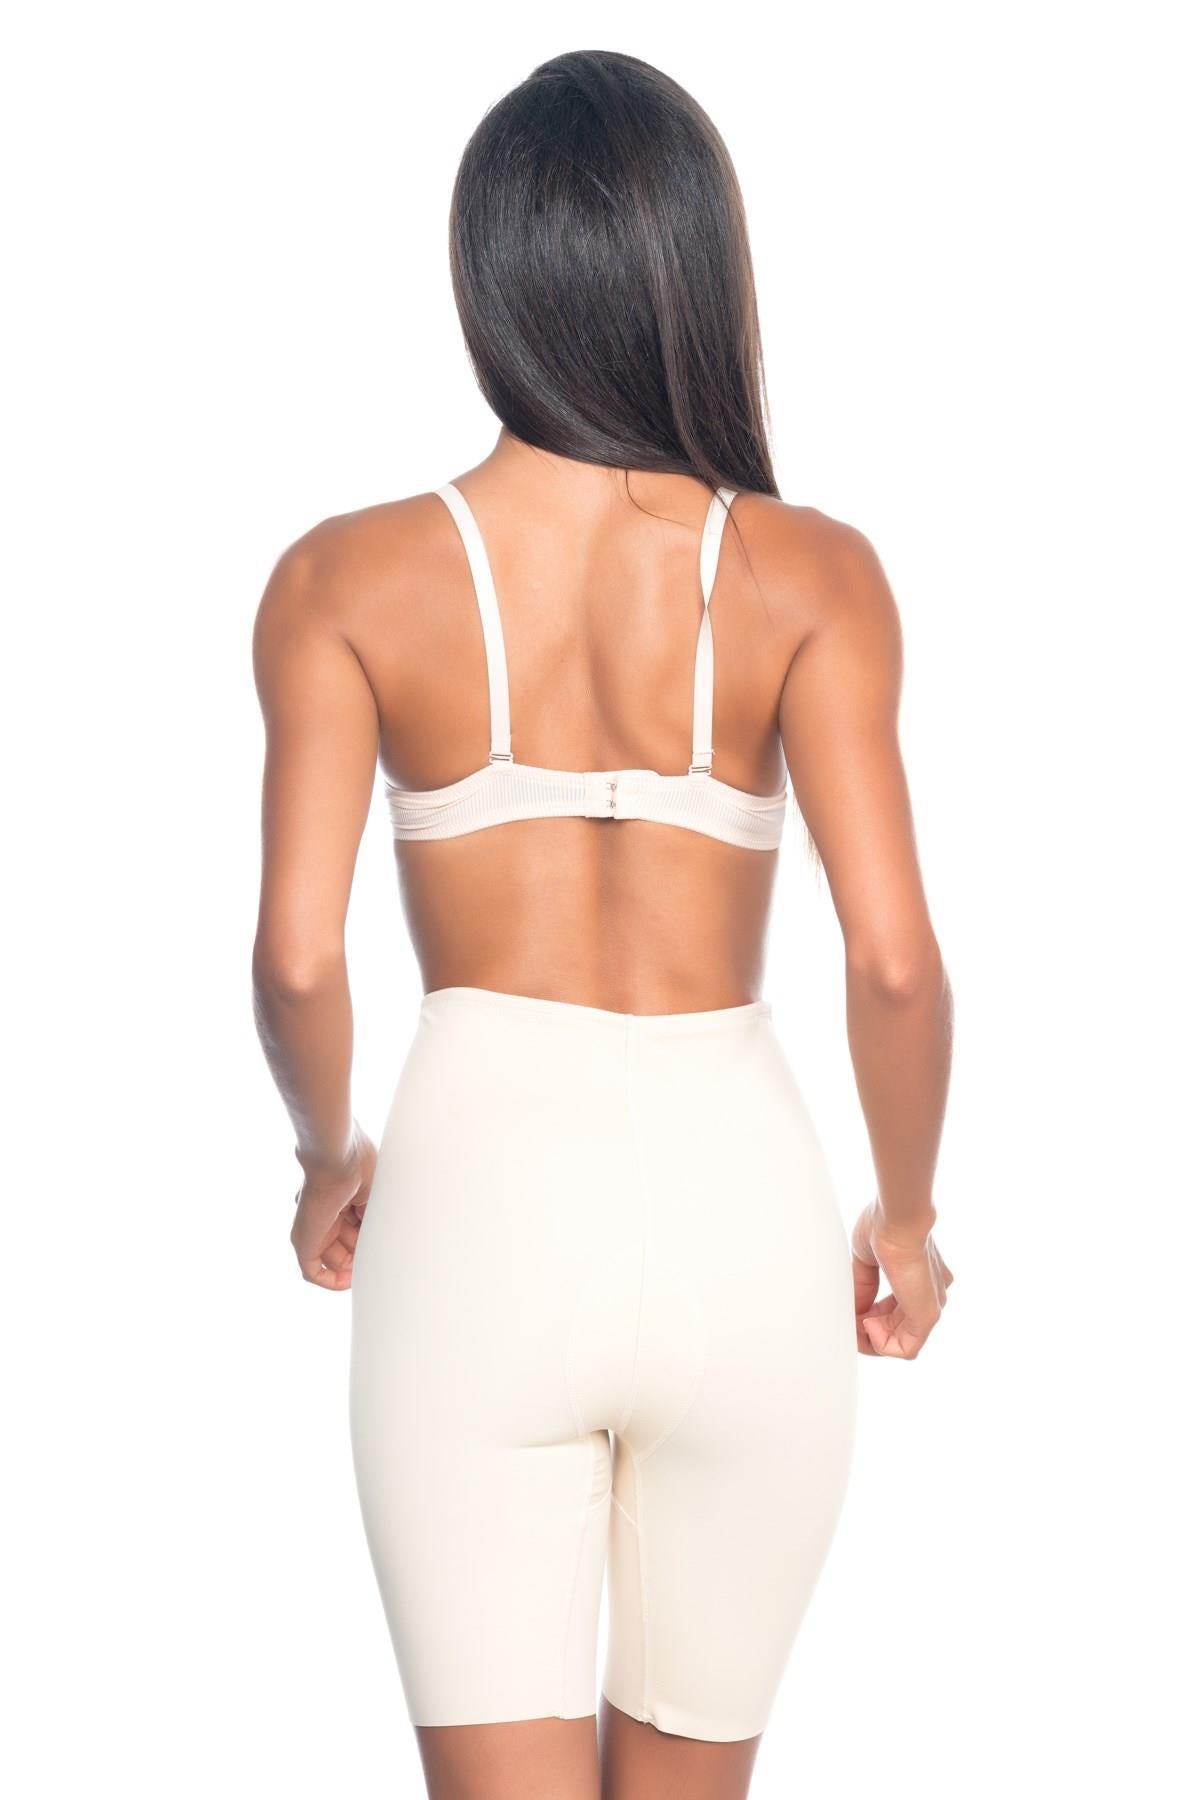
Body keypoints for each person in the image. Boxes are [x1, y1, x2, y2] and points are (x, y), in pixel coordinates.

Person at [251, 47, 953, 1800]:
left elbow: (300, 959)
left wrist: (328, 1159)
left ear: (487, 279)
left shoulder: (344, 578)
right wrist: (910, 1219)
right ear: (698, 273)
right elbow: (891, 961)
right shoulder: (815, 574)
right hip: (744, 1217)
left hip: (477, 1215)